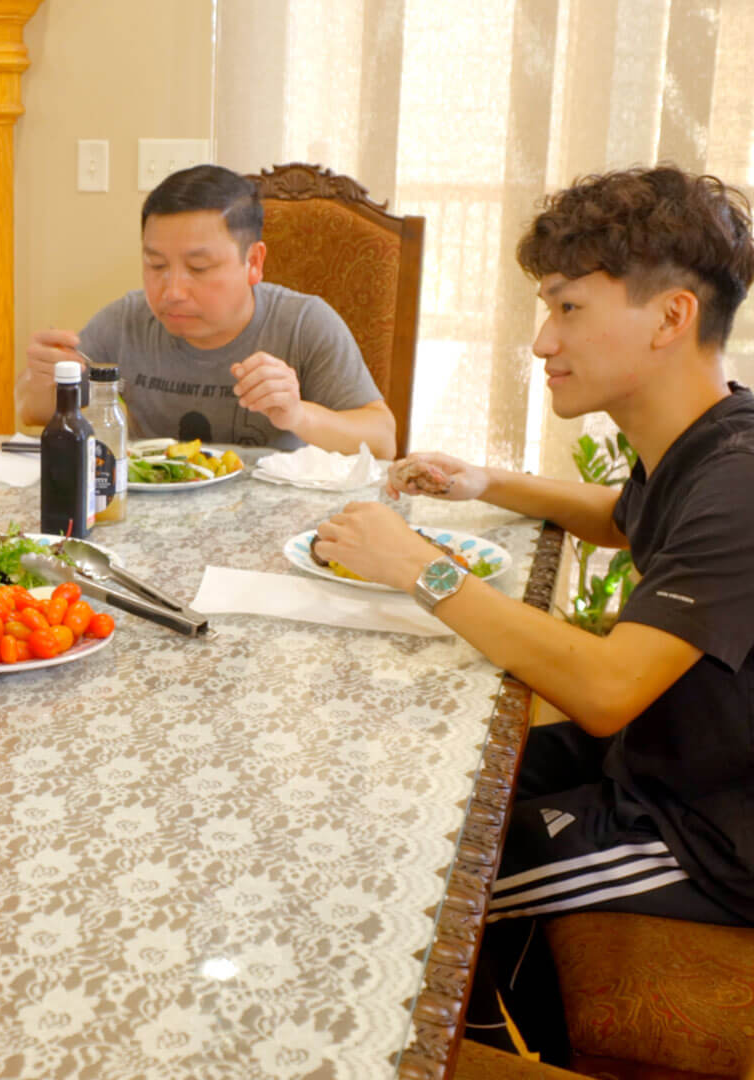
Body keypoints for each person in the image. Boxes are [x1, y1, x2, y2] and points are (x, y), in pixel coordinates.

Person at [313, 166, 754, 1062]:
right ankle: (497, 1024)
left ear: (671, 317)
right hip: (652, 758)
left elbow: (601, 689)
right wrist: (488, 481)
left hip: (703, 827)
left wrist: (421, 569)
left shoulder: (740, 482)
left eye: (569, 309)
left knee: (404, 887)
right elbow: (622, 519)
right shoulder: (706, 438)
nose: (544, 339)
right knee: (402, 790)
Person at [18, 164, 397, 457]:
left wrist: (298, 415)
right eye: (156, 265)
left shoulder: (303, 324)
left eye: (199, 268)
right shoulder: (126, 321)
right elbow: (32, 413)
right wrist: (44, 381)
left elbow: (383, 440)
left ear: (253, 262)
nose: (173, 291)